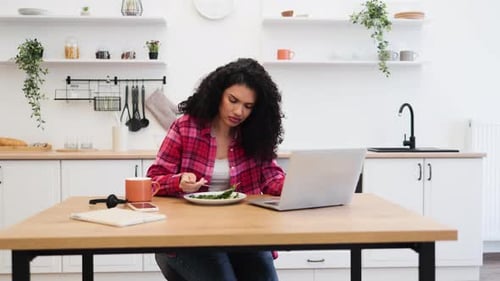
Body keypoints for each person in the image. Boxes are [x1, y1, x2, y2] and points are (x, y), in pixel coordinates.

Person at [147, 57, 286, 281]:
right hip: (189, 235)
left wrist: (297, 183)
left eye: (248, 106)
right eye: (233, 100)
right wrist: (178, 181)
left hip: (242, 233)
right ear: (218, 94)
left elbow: (272, 178)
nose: (239, 111)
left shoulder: (255, 135)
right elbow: (153, 180)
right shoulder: (186, 127)